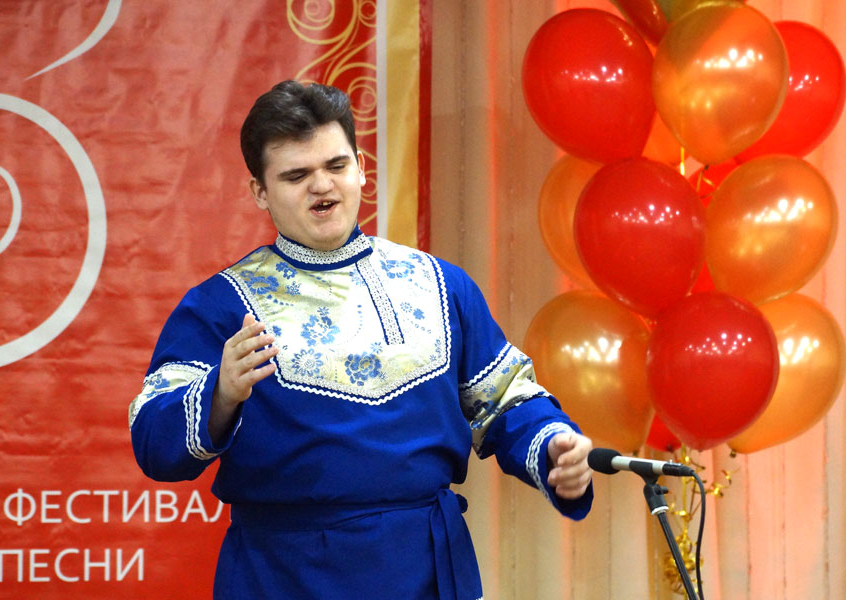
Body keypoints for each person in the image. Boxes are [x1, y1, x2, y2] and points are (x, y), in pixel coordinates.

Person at [128, 80, 593, 600]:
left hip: (427, 569)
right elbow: (152, 440)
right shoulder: (220, 306)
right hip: (285, 576)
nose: (322, 186)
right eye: (296, 175)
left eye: (336, 165)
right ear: (259, 191)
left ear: (361, 167)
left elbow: (506, 401)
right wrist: (220, 395)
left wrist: (553, 446)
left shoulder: (440, 285)